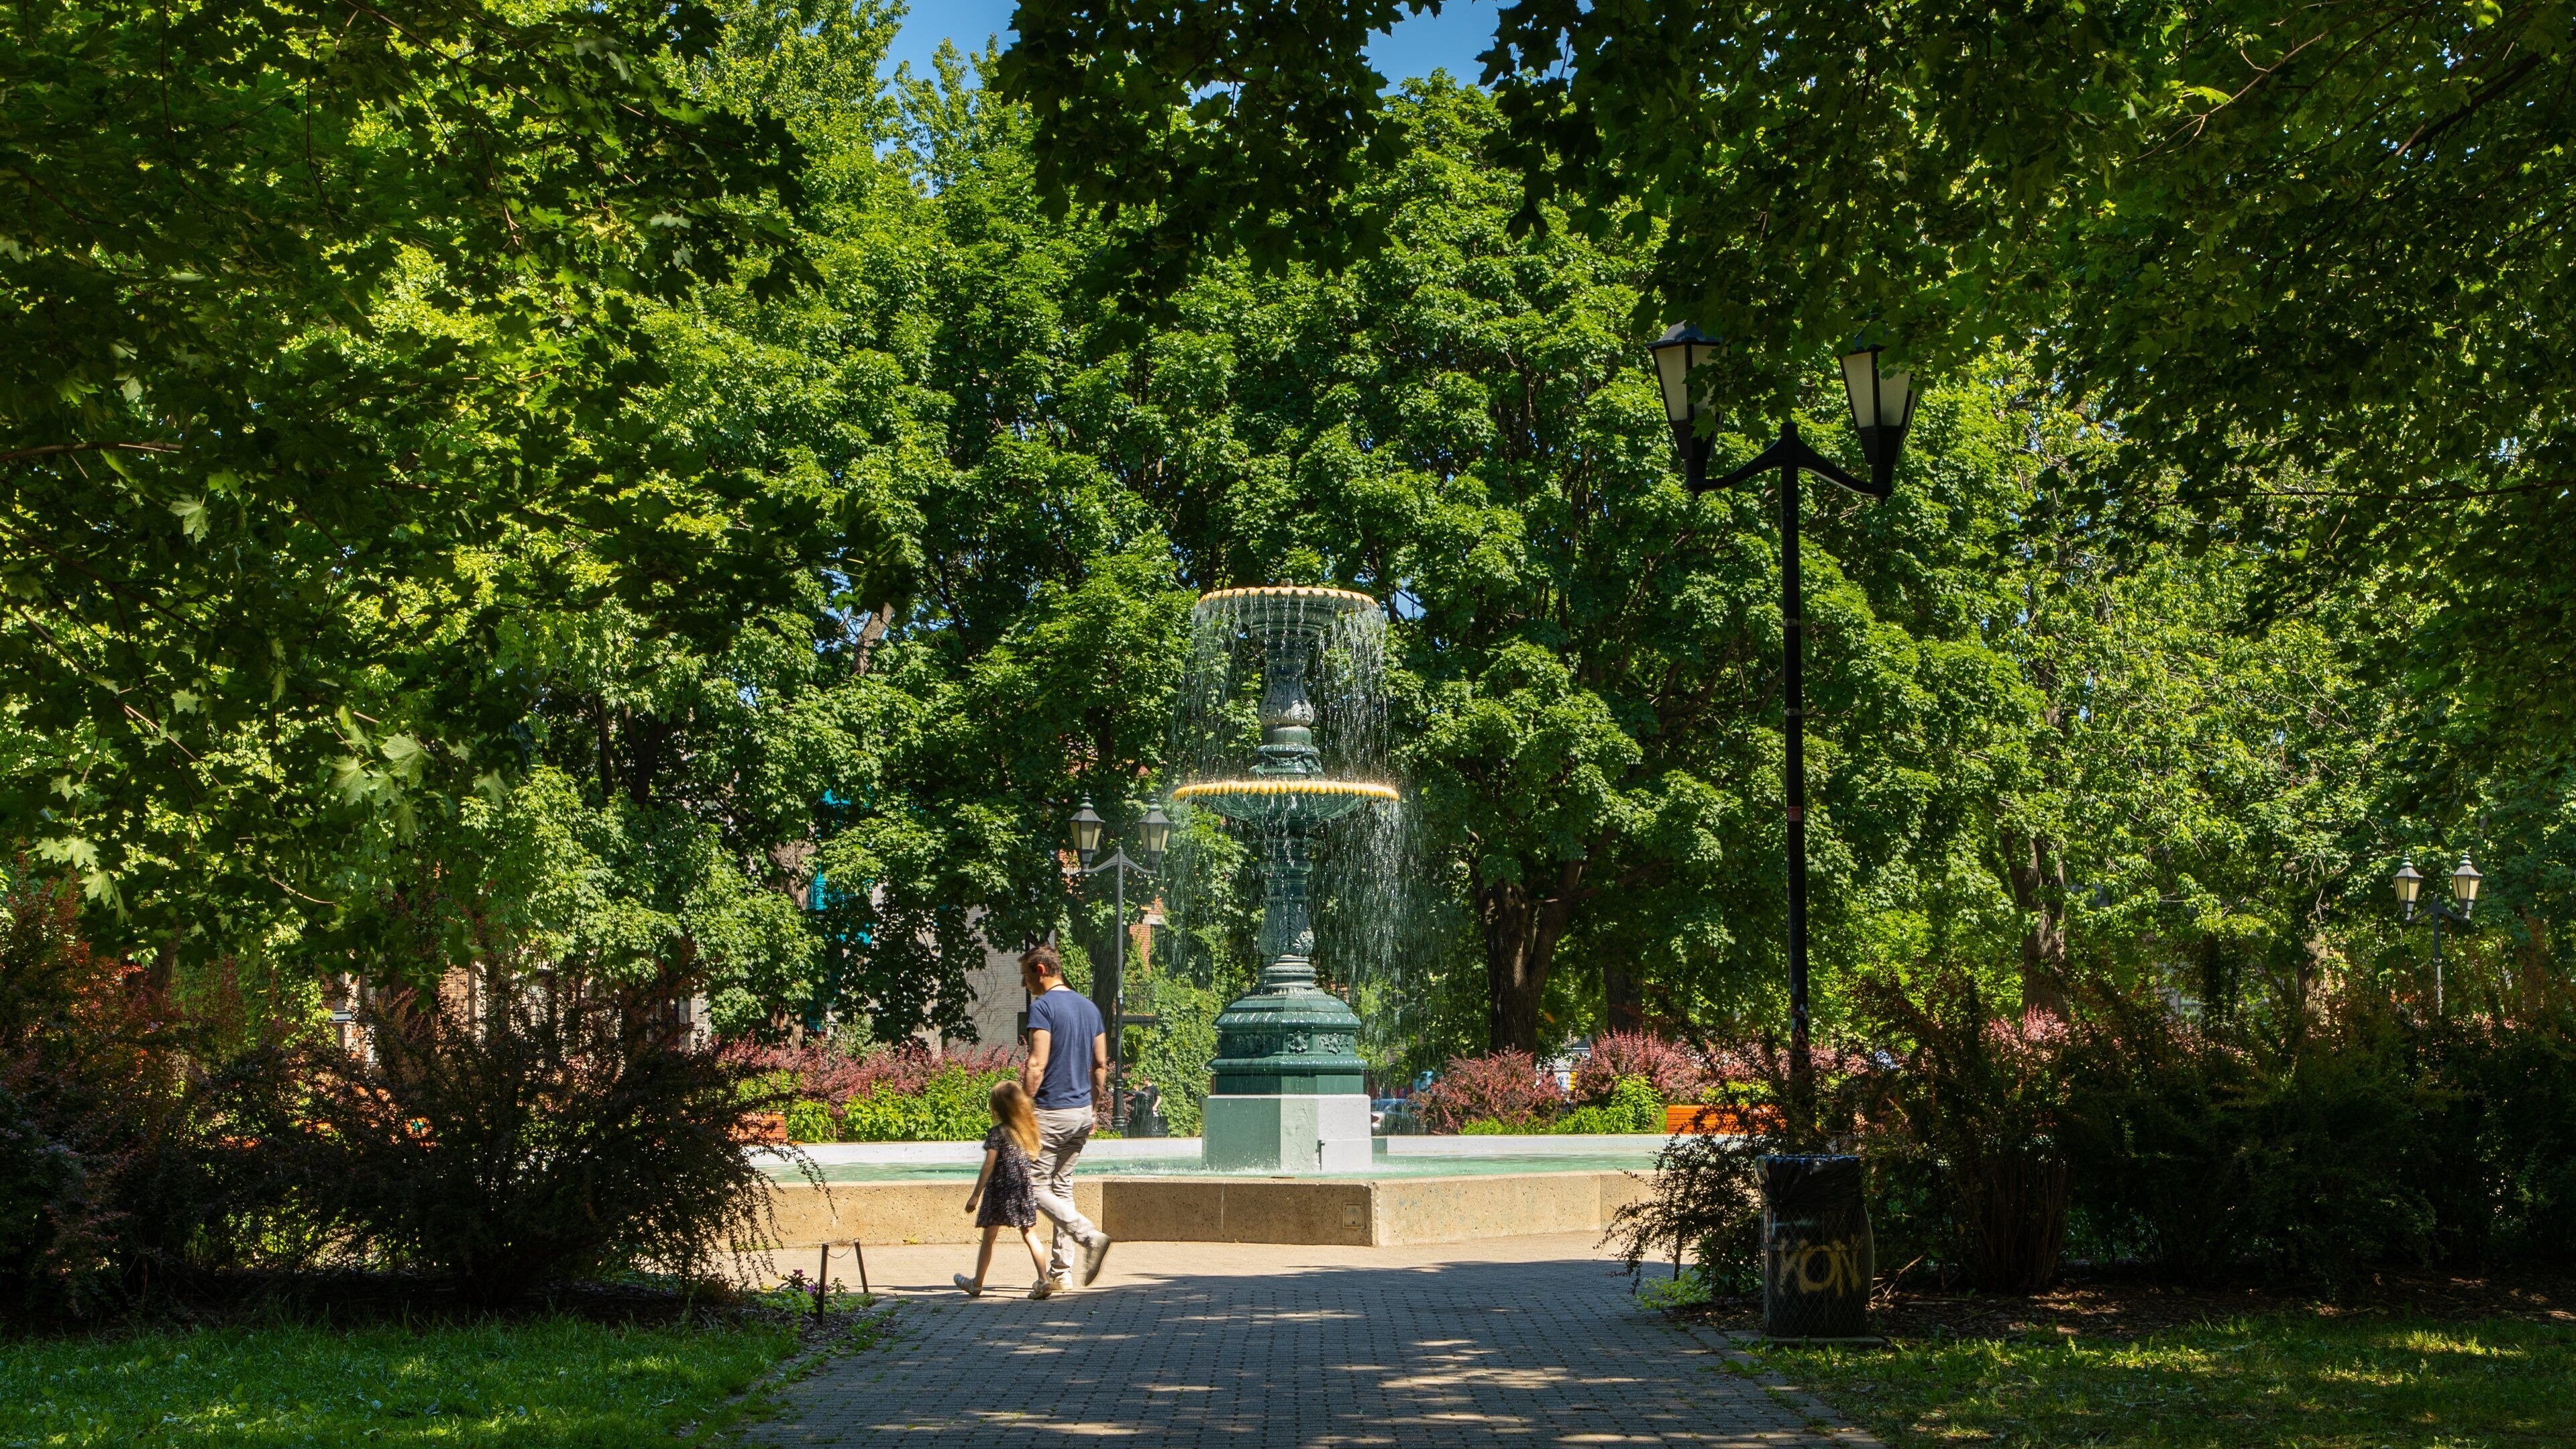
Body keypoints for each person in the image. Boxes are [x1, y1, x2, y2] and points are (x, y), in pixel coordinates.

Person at [1018, 943, 1114, 1289]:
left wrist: (1023, 1106)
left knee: (1033, 1184)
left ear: (1041, 970)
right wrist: (1092, 1108)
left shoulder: (1043, 1009)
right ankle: (1061, 1273)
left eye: (1026, 976)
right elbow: (1100, 1066)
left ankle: (1089, 1236)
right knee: (1061, 1186)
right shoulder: (1090, 1009)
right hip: (1080, 1114)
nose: (1025, 984)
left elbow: (1036, 1064)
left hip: (1050, 1111)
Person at [955, 1079, 1053, 1298]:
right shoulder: (1027, 1133)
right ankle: (1044, 1280)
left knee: (989, 1237)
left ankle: (977, 1283)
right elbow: (1035, 1158)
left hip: (999, 1191)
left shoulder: (997, 1133)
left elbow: (989, 1164)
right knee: (1029, 1234)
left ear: (998, 1108)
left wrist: (975, 1196)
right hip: (1022, 1190)